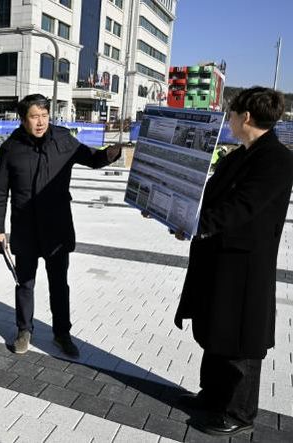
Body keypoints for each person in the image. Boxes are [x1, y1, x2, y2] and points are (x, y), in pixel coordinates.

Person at [173, 87, 293, 437]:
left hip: (245, 266)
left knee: (241, 338)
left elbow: (242, 208)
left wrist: (196, 225)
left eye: (232, 114)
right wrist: (178, 213)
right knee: (217, 329)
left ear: (246, 117)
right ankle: (213, 396)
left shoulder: (276, 160)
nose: (229, 120)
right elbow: (209, 196)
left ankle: (239, 411)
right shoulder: (241, 154)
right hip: (219, 258)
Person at [0, 94, 121, 357]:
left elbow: (92, 158)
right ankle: (24, 330)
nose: (40, 122)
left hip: (57, 227)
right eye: (34, 116)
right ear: (23, 119)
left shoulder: (63, 139)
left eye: (44, 116)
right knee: (25, 283)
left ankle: (62, 333)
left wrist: (111, 153)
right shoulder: (11, 148)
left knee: (59, 284)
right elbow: (0, 192)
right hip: (25, 227)